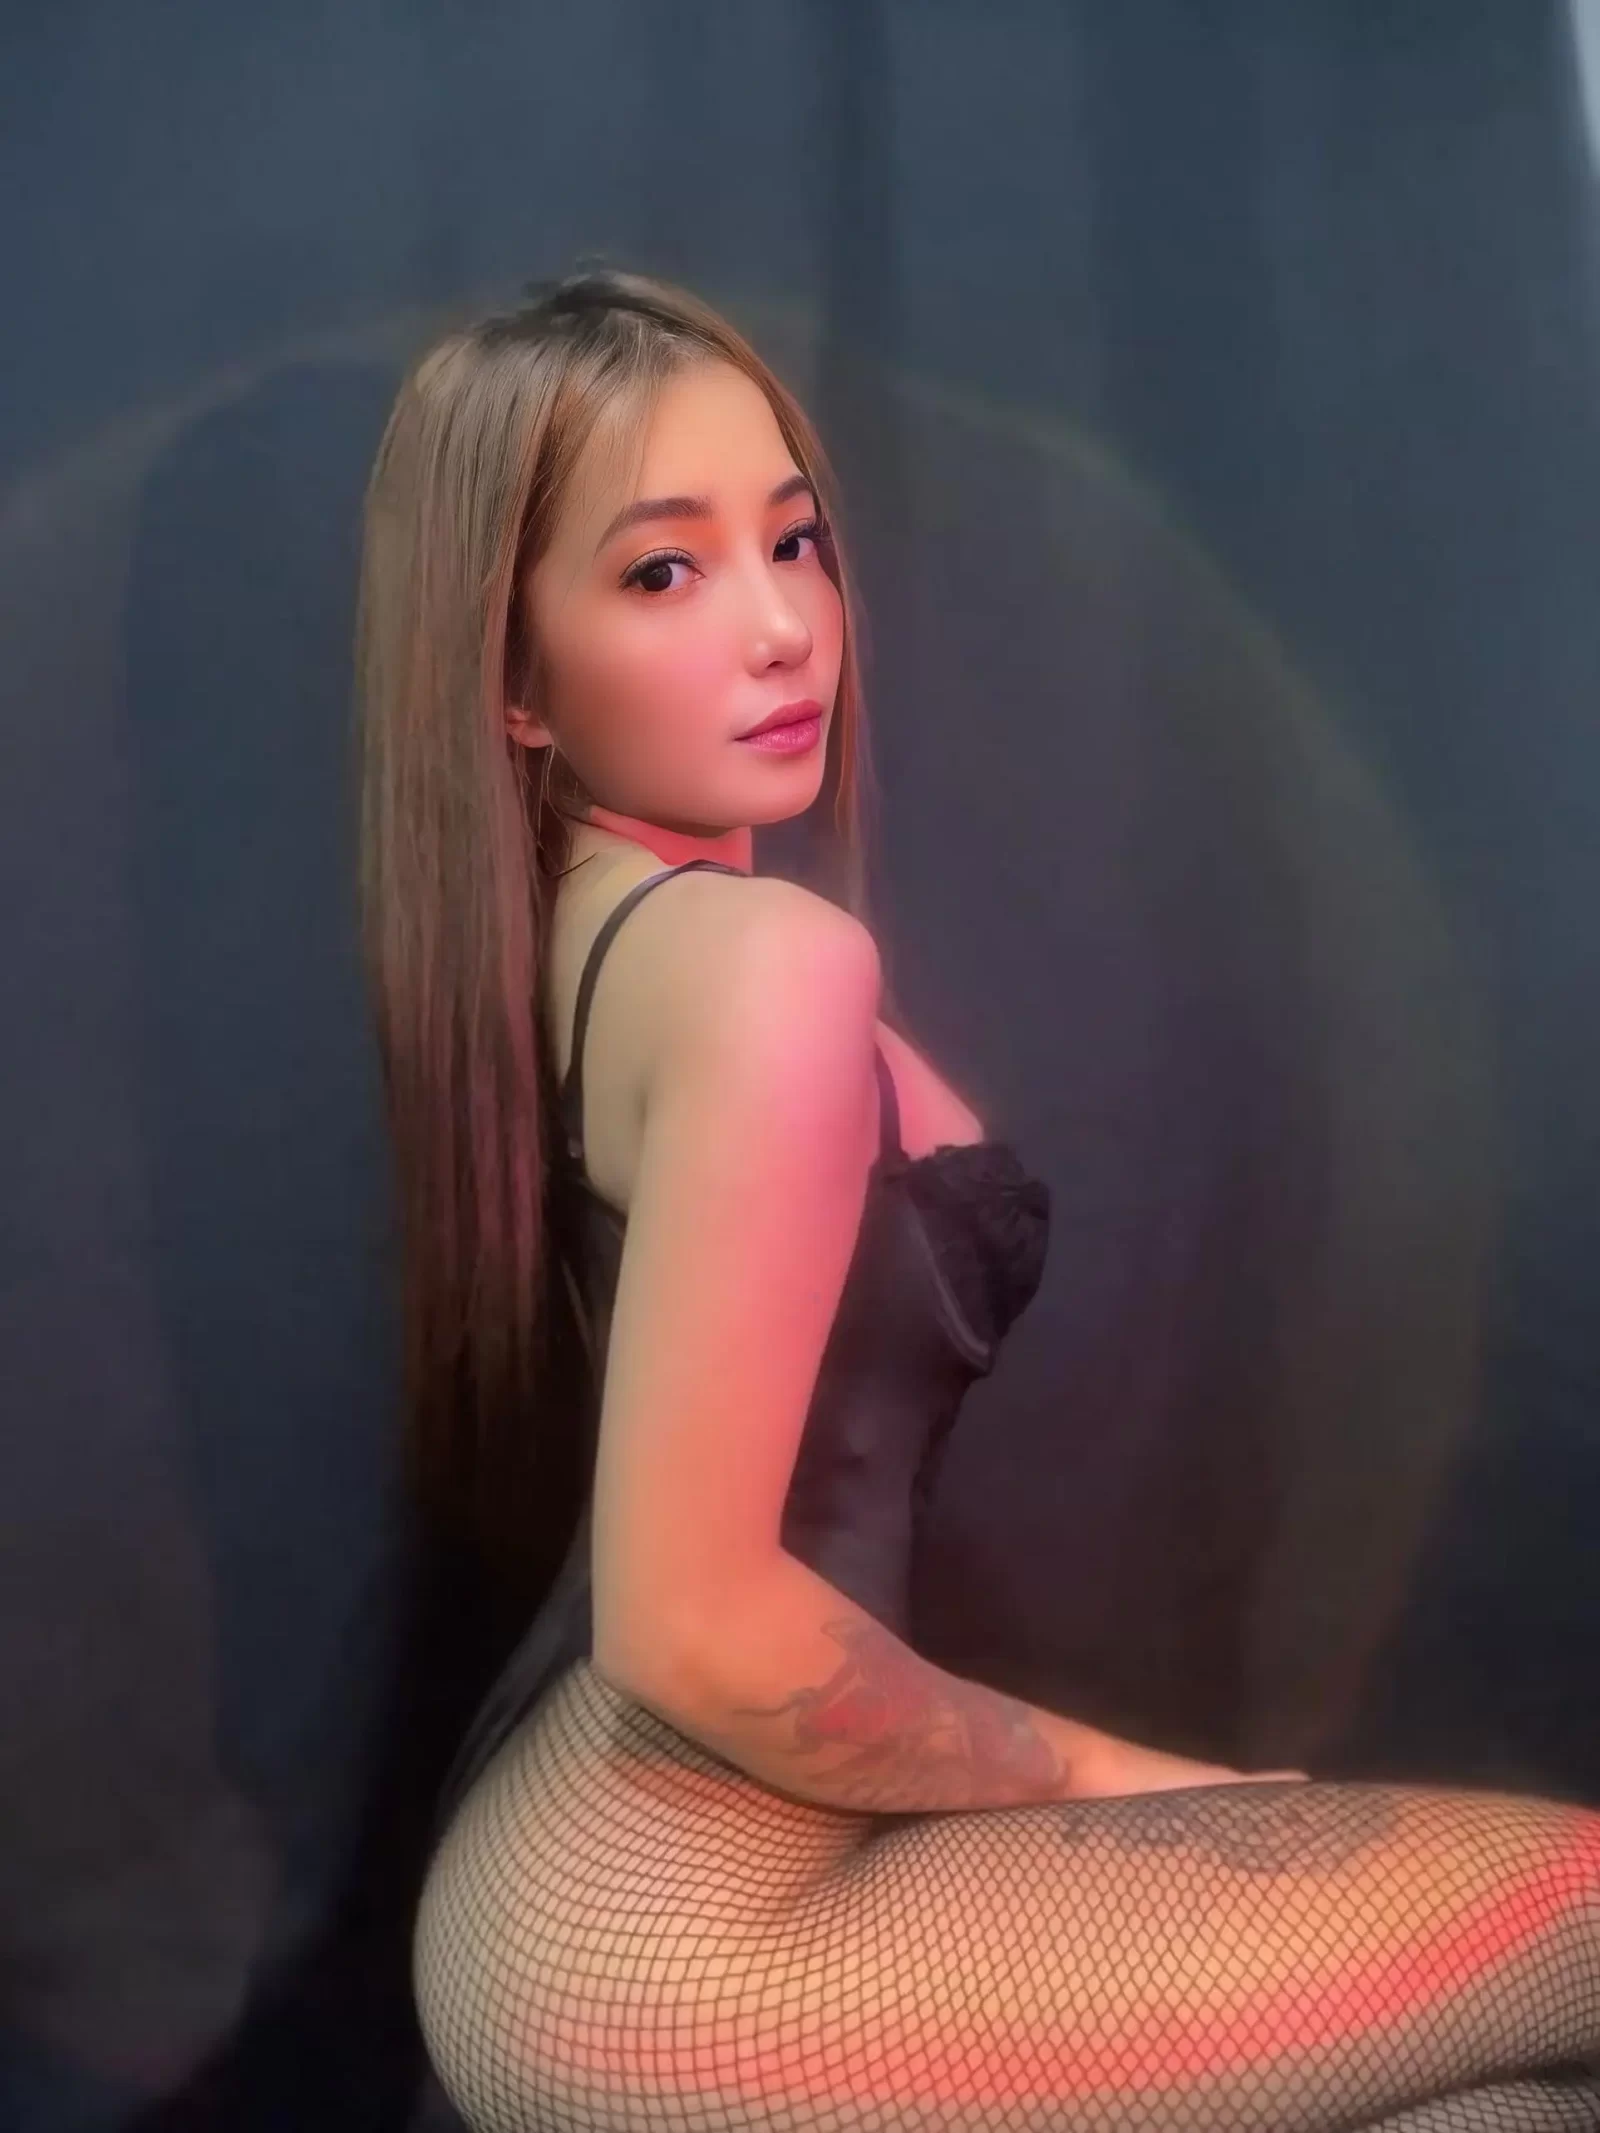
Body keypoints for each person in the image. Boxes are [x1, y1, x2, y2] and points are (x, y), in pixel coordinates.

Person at [355, 266, 1599, 2132]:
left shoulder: (571, 940)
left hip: (560, 1879)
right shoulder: (762, 967)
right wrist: (1125, 1783)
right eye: (664, 572)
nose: (784, 627)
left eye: (795, 541)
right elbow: (685, 1624)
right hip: (673, 1934)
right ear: (513, 683)